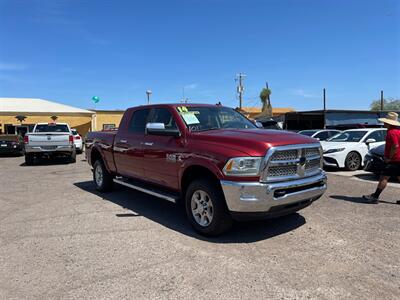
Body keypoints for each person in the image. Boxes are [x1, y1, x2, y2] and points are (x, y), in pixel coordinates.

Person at [363, 112, 400, 204]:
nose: (384, 124)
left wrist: (389, 158)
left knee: (384, 178)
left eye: (385, 122)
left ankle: (375, 197)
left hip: (393, 160)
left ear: (388, 123)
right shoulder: (399, 132)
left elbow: (395, 146)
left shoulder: (391, 133)